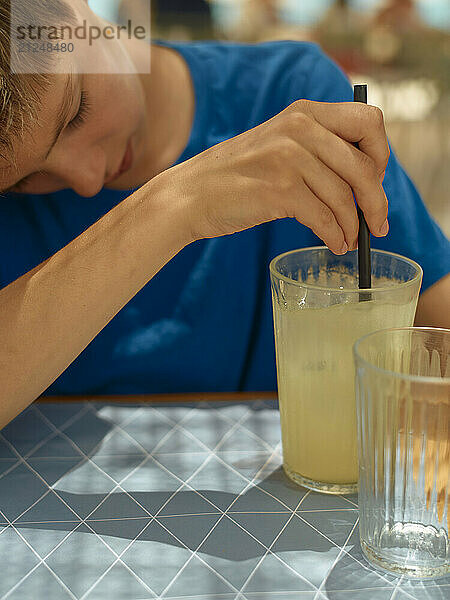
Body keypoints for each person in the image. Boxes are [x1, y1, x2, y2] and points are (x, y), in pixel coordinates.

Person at [0, 0, 448, 429]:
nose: (88, 179)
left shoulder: (292, 99)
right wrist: (175, 205)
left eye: (76, 111)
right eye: (22, 180)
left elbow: (436, 320)